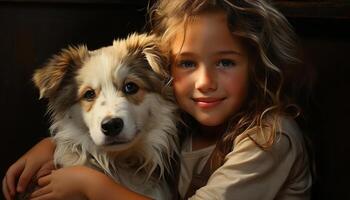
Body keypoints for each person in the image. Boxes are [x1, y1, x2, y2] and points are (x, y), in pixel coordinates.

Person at [2, 0, 313, 199]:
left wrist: (89, 185)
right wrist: (52, 146)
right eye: (187, 63)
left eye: (226, 62)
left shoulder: (270, 138)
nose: (204, 83)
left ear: (257, 66)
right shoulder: (187, 128)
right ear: (170, 70)